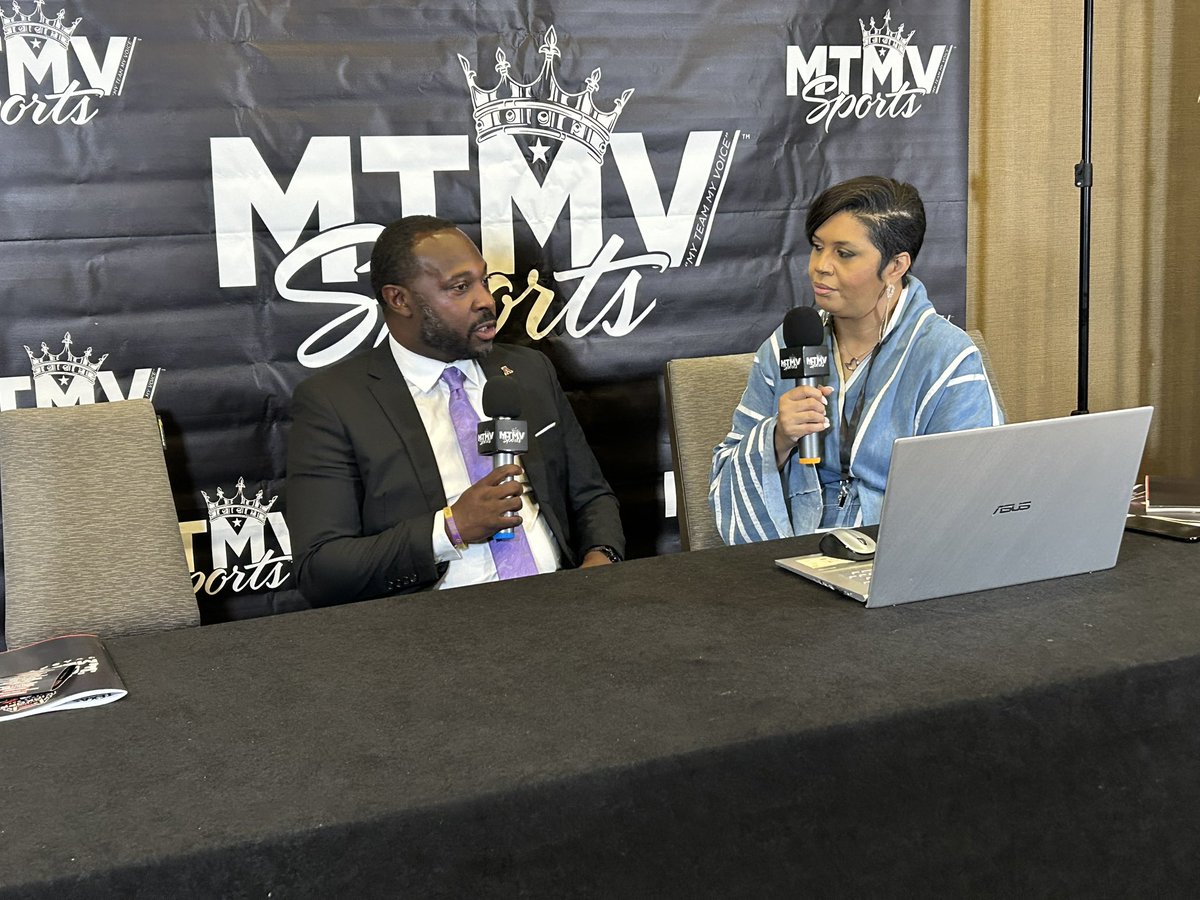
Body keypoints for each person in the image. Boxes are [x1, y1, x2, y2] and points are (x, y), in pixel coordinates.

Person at [286, 216, 624, 606]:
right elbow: (321, 570)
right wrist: (450, 529)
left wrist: (601, 559)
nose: (486, 300)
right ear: (400, 300)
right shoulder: (333, 403)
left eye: (483, 280)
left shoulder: (530, 370)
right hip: (438, 632)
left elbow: (591, 495)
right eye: (460, 287)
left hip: (565, 603)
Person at [710, 176, 1003, 544]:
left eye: (844, 253)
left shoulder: (945, 358)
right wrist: (778, 437)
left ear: (895, 266)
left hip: (901, 549)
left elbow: (977, 488)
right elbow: (727, 468)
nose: (820, 266)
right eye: (817, 247)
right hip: (792, 548)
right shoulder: (789, 343)